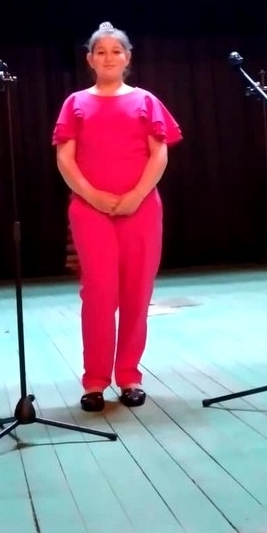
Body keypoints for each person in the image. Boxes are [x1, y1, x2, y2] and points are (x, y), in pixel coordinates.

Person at [52, 21, 182, 412]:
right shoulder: (75, 102)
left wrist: (136, 195)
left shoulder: (146, 101)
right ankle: (94, 380)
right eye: (101, 52)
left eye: (116, 51)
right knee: (98, 293)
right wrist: (93, 195)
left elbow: (159, 153)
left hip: (140, 209)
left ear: (127, 58)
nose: (109, 58)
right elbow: (65, 158)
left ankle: (129, 376)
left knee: (137, 292)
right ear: (90, 59)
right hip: (90, 210)